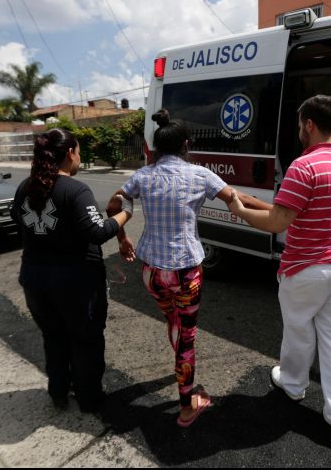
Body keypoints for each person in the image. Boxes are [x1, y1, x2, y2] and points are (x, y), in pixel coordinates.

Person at [108, 109, 266, 428]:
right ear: (186, 145)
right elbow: (237, 197)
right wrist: (278, 211)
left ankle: (181, 366)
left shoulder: (142, 176)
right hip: (186, 274)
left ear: (156, 147)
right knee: (187, 340)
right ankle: (186, 406)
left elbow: (115, 203)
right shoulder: (200, 175)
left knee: (173, 321)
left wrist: (122, 238)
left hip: (152, 272)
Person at [227, 95, 331, 444]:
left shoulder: (304, 166)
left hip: (308, 269)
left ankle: (292, 385)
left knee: (300, 331)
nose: (299, 131)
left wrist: (240, 211)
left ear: (309, 124)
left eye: (300, 124)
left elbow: (278, 222)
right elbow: (306, 209)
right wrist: (258, 203)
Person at [10, 128, 131, 413]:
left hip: (35, 279)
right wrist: (125, 213)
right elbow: (97, 232)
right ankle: (89, 398)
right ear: (69, 154)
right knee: (86, 340)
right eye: (78, 151)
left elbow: (18, 219)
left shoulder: (24, 187)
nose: (79, 157)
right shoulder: (76, 190)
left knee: (53, 338)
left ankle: (59, 392)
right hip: (75, 283)